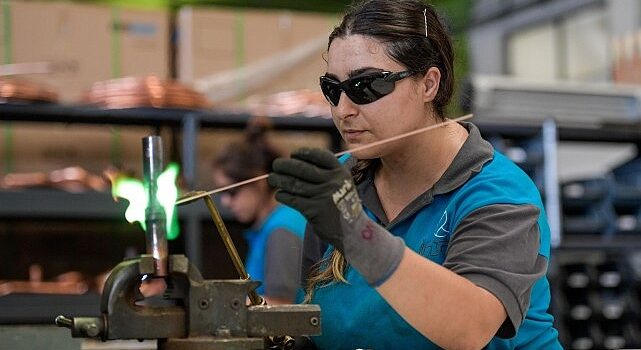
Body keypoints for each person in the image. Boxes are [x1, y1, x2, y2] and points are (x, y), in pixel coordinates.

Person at [267, 0, 562, 348]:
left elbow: (470, 328)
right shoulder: (344, 185)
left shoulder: (498, 194)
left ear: (428, 84)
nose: (344, 110)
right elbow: (317, 320)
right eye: (333, 89)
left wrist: (356, 234)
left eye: (365, 86)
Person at [212, 118, 307, 305]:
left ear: (259, 181)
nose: (226, 202)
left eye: (231, 192)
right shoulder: (273, 224)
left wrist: (224, 305)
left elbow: (283, 306)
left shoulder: (282, 230)